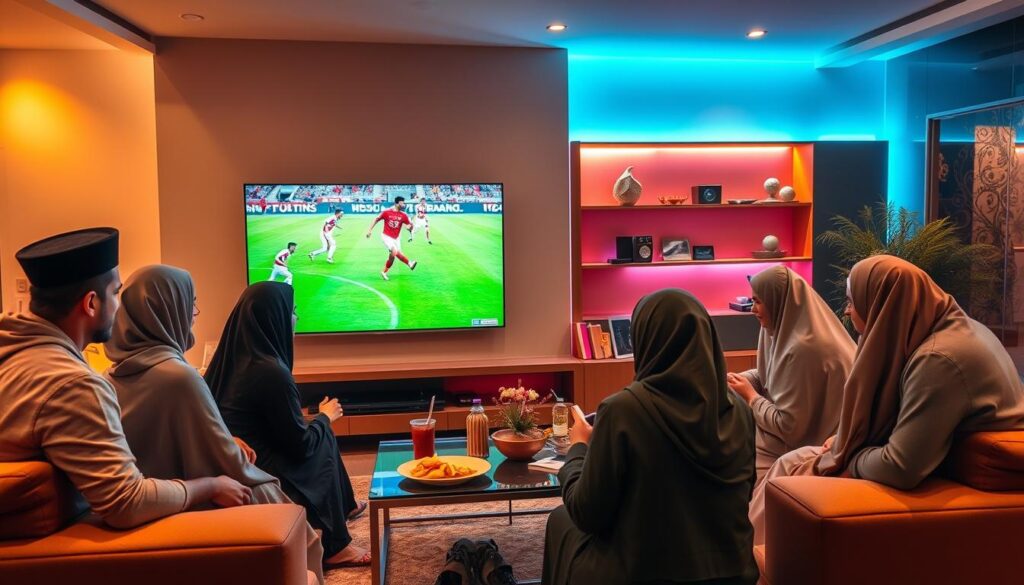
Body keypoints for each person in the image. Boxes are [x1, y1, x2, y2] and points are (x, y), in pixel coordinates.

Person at [750, 255, 1024, 545]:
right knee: (791, 462)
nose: (846, 311)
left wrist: (850, 457)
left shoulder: (938, 359)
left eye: (852, 302)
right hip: (939, 463)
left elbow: (900, 466)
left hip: (941, 477)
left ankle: (752, 562)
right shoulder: (951, 329)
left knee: (787, 472)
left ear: (881, 304)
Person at [0, 228, 251, 530]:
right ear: (91, 303)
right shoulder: (73, 383)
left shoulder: (16, 356)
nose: (120, 306)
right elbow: (126, 503)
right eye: (116, 293)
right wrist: (209, 485)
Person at [104, 265, 325, 584]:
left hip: (162, 496)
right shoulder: (178, 378)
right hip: (189, 505)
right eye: (189, 303)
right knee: (272, 489)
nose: (195, 312)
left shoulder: (110, 377)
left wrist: (227, 437)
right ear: (168, 310)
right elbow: (231, 467)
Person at [543, 289, 758, 585]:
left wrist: (578, 448)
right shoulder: (740, 410)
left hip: (644, 572)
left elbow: (586, 513)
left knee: (560, 520)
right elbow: (743, 494)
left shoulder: (623, 410)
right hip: (734, 572)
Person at [206, 282, 370, 567]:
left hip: (241, 461)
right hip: (264, 471)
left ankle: (347, 506)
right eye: (292, 311)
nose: (296, 318)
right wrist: (325, 417)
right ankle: (335, 546)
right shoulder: (270, 372)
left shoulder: (231, 359)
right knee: (321, 434)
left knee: (316, 425)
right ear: (275, 316)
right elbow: (301, 448)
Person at [726, 266, 854, 487]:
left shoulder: (804, 349)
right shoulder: (778, 327)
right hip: (785, 433)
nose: (752, 309)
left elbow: (789, 428)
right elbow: (771, 374)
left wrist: (750, 396)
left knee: (729, 460)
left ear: (777, 301)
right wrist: (737, 380)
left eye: (758, 302)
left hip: (807, 444)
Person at [365, 195, 417, 281]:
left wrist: (411, 227)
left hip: (396, 238)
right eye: (402, 203)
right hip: (386, 236)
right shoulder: (386, 212)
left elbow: (408, 227)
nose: (404, 204)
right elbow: (376, 219)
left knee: (394, 256)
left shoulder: (403, 215)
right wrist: (369, 230)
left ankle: (384, 272)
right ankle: (409, 264)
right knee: (394, 251)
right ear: (397, 203)